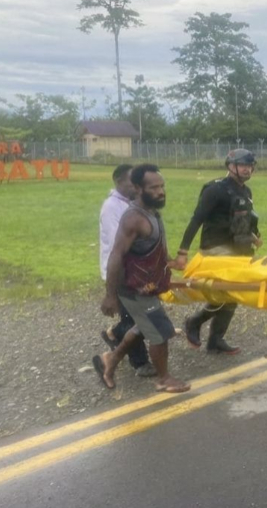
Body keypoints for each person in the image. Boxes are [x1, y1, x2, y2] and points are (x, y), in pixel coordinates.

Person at [94, 164, 189, 393]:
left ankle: (110, 361)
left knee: (142, 326)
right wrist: (110, 295)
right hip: (134, 289)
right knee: (160, 332)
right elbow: (116, 255)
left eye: (162, 186)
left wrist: (169, 263)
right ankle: (164, 379)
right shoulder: (133, 218)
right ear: (137, 188)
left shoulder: (152, 212)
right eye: (153, 187)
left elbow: (149, 248)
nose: (160, 191)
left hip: (147, 285)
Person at [174, 149, 262, 354]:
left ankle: (215, 340)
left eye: (250, 166)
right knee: (230, 291)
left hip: (239, 248)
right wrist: (182, 251)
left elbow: (244, 219)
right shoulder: (214, 190)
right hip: (216, 249)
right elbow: (197, 219)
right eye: (243, 165)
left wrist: (254, 236)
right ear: (230, 166)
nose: (247, 169)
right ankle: (195, 322)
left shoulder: (246, 192)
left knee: (233, 295)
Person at [98, 164, 155, 377]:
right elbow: (119, 246)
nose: (137, 187)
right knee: (137, 319)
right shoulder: (111, 208)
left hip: (138, 270)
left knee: (140, 315)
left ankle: (114, 333)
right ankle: (140, 363)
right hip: (121, 272)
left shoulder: (133, 204)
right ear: (119, 182)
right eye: (133, 182)